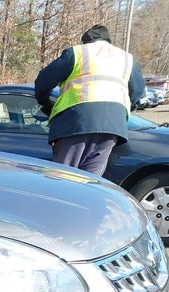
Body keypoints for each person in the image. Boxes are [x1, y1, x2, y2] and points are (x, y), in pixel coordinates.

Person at [34, 24, 145, 177]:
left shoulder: (78, 52)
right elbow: (138, 90)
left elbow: (43, 81)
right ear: (108, 41)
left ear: (85, 41)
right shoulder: (126, 59)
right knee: (90, 181)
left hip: (76, 123)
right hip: (112, 128)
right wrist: (121, 109)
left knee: (62, 178)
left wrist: (44, 102)